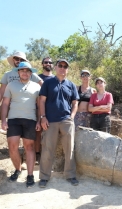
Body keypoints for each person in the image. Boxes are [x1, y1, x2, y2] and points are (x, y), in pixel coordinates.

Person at [0, 51, 43, 153]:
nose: (19, 61)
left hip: (27, 107)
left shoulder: (30, 73)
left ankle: (29, 154)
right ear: (13, 60)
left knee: (33, 124)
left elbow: (43, 85)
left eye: (21, 59)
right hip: (9, 105)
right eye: (17, 59)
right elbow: (2, 92)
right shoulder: (7, 75)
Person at [38, 59, 79, 187]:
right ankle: (44, 177)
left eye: (65, 66)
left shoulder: (71, 85)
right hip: (50, 121)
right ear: (56, 68)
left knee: (69, 149)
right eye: (60, 66)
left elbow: (75, 103)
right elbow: (42, 101)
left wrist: (72, 116)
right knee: (47, 149)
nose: (62, 68)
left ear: (67, 69)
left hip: (66, 120)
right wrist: (43, 117)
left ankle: (70, 175)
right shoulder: (48, 83)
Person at [1, 62, 41, 188]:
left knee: (29, 147)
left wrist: (39, 120)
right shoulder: (11, 85)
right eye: (22, 70)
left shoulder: (36, 86)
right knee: (12, 145)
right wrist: (3, 120)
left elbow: (40, 105)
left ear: (31, 73)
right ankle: (17, 170)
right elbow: (5, 104)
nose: (25, 72)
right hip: (13, 119)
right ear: (18, 72)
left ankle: (30, 175)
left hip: (30, 119)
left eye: (28, 71)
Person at [35, 57, 54, 164]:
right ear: (42, 64)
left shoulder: (56, 78)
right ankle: (37, 154)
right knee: (37, 132)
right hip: (37, 108)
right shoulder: (37, 78)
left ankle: (47, 156)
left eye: (50, 62)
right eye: (46, 62)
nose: (48, 64)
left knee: (50, 133)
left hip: (51, 109)